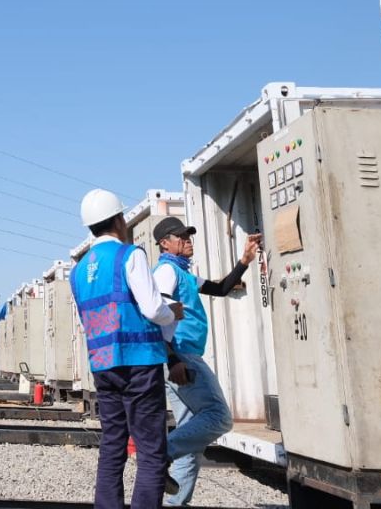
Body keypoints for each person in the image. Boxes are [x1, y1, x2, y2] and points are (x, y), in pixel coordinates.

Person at [72, 189, 184, 509]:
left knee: (112, 446)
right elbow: (152, 309)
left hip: (103, 366)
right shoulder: (130, 255)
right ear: (120, 220)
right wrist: (172, 311)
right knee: (151, 454)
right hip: (139, 363)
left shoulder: (79, 271)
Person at [151, 216, 260, 506]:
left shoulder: (182, 273)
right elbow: (157, 317)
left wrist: (245, 260)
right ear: (165, 243)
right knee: (218, 417)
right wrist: (173, 359)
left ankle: (176, 503)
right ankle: (158, 458)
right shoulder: (166, 272)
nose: (188, 241)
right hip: (181, 355)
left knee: (191, 442)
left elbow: (221, 288)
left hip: (182, 356)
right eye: (181, 237)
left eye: (189, 236)